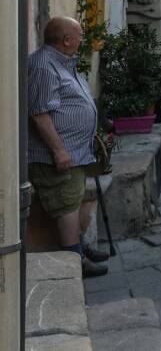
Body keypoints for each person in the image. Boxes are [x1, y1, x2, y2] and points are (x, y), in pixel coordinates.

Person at [27, 17, 108, 277]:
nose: (82, 38)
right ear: (66, 40)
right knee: (65, 205)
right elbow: (39, 113)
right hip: (55, 155)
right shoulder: (43, 65)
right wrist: (59, 150)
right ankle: (75, 259)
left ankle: (80, 248)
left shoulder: (63, 62)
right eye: (80, 34)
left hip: (75, 151)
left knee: (72, 200)